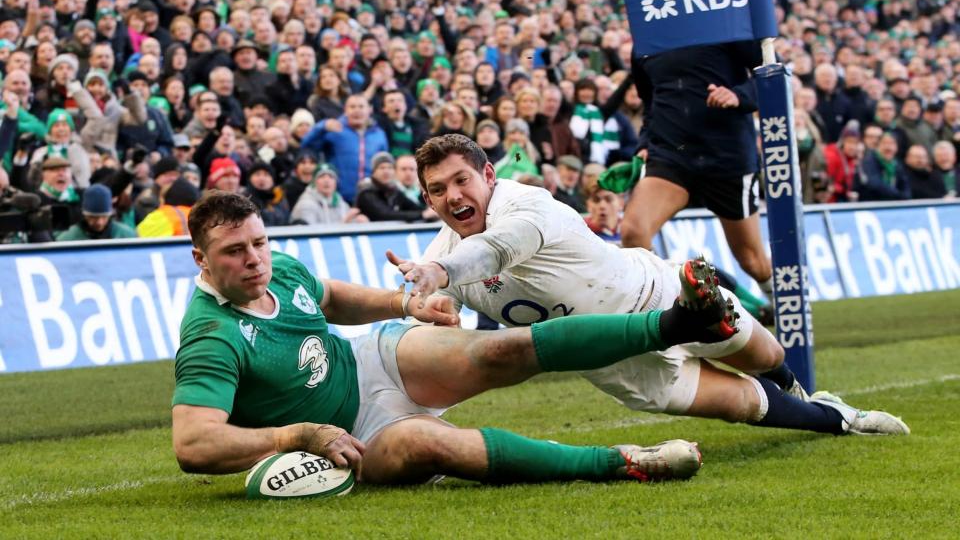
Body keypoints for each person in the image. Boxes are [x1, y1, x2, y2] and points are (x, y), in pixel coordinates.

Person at [171, 190, 743, 484]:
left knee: (501, 348)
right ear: (201, 258)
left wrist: (403, 302)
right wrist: (295, 436)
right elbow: (194, 445)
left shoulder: (277, 264)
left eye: (259, 244)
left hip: (374, 361)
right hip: (348, 434)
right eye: (234, 252)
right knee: (436, 446)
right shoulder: (211, 336)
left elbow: (330, 297)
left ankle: (680, 322)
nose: (254, 260)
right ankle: (620, 462)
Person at [392, 134, 908, 440]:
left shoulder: (525, 204)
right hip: (617, 361)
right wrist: (428, 308)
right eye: (438, 189)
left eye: (462, 180)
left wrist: (442, 275)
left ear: (488, 175)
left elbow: (497, 249)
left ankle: (799, 387)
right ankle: (840, 421)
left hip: (656, 294)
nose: (453, 195)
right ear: (428, 199)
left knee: (764, 353)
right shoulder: (441, 256)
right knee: (741, 406)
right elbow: (427, 323)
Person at [621, 42, 775, 304]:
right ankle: (665, 308)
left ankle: (781, 304)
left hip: (727, 158)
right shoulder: (647, 36)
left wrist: (738, 95)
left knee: (752, 261)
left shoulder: (723, 22)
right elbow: (650, 101)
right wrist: (644, 144)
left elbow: (772, 74)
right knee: (634, 231)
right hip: (671, 156)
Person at [56, 183, 138, 241]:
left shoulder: (127, 236)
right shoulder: (67, 240)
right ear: (84, 214)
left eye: (104, 216)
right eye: (93, 217)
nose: (99, 222)